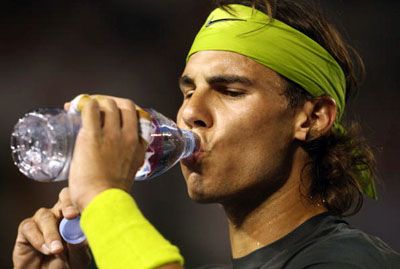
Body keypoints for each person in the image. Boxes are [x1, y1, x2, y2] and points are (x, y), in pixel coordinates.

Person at [12, 0, 400, 268]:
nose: (190, 113)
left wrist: (103, 199)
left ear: (312, 117)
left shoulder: (351, 260)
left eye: (231, 91)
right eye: (188, 91)